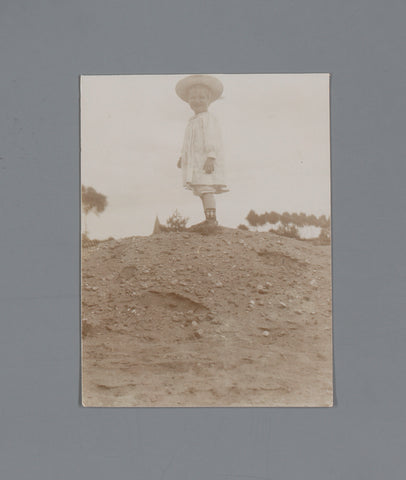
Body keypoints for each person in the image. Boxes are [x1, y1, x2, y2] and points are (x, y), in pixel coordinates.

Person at [176, 74, 229, 229]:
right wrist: (182, 157)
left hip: (205, 161)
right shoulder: (192, 121)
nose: (197, 101)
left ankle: (212, 220)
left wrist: (211, 157)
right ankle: (208, 217)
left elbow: (212, 138)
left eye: (201, 97)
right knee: (200, 188)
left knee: (206, 188)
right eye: (193, 98)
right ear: (188, 101)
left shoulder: (208, 119)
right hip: (195, 162)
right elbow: (189, 143)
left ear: (209, 100)